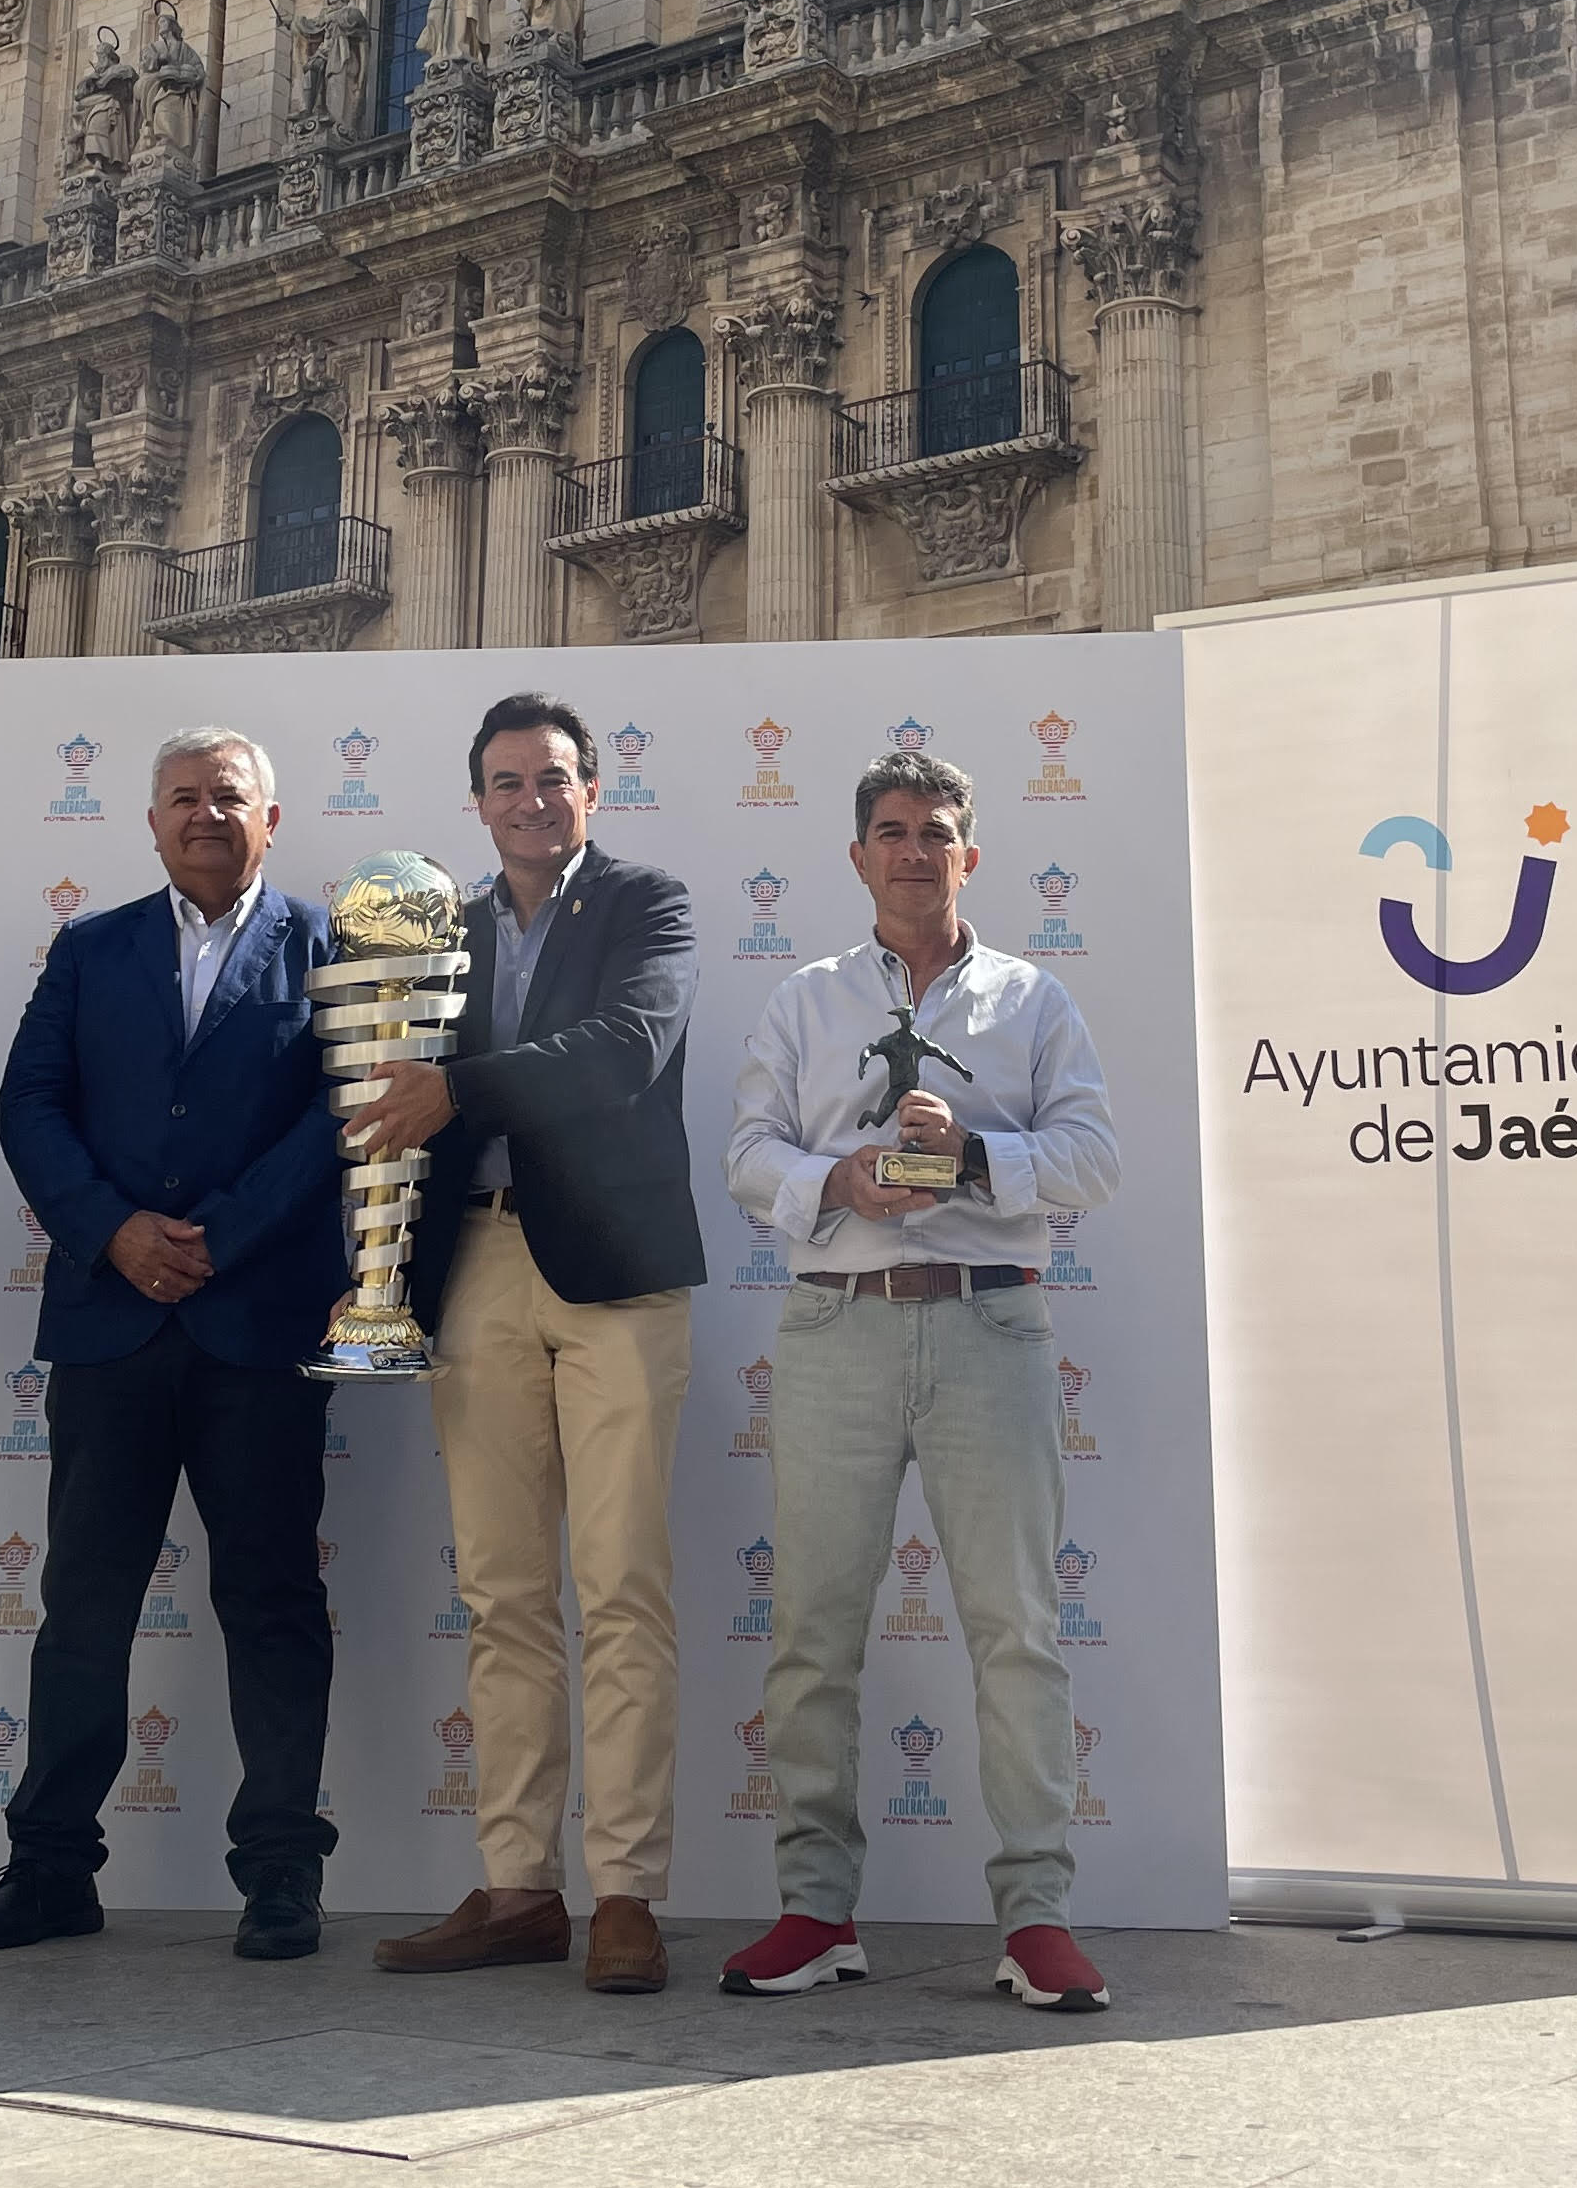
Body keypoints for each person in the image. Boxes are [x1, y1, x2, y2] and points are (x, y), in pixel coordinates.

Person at [720, 747, 1121, 2014]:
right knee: (813, 1637)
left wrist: (977, 1156)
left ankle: (1037, 1919)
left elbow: (1094, 1160)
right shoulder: (805, 999)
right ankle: (816, 1910)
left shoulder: (1034, 1000)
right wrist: (839, 1180)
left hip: (986, 1329)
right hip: (837, 1328)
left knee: (1016, 1631)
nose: (913, 849)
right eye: (890, 829)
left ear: (971, 853)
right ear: (856, 856)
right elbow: (746, 1155)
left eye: (936, 830)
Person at [0, 729, 347, 1965]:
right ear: (151, 820)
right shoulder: (91, 947)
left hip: (257, 1325)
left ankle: (281, 1873)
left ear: (270, 819)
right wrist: (114, 1231)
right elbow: (29, 1104)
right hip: (112, 1325)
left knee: (272, 1600)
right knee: (83, 1607)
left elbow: (344, 1110)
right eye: (184, 798)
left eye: (230, 797)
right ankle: (51, 1869)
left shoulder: (330, 946)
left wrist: (219, 1237)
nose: (206, 815)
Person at [345, 693, 704, 1995]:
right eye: (507, 784)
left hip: (613, 1278)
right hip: (476, 1269)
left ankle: (626, 1893)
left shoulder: (648, 907)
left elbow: (627, 1050)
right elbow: (382, 1075)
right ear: (480, 804)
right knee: (501, 1594)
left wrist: (462, 1088)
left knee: (619, 1587)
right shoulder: (434, 932)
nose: (531, 802)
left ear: (591, 794)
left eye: (553, 780)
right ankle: (517, 1888)